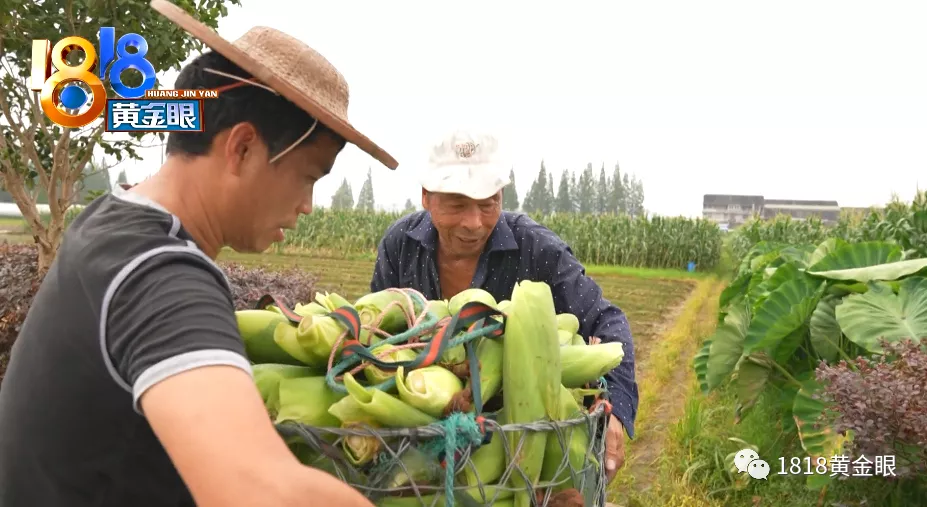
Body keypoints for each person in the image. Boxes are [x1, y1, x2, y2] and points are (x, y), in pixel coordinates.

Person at [0, 1, 397, 506]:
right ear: (243, 148)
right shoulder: (160, 272)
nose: (308, 206)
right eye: (308, 177)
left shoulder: (111, 220)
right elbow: (261, 494)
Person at [370, 131, 638, 483]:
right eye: (457, 204)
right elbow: (375, 336)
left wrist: (615, 410)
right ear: (427, 197)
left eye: (487, 203)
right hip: (421, 450)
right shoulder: (400, 246)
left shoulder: (536, 248)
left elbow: (605, 320)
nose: (474, 222)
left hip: (518, 452)